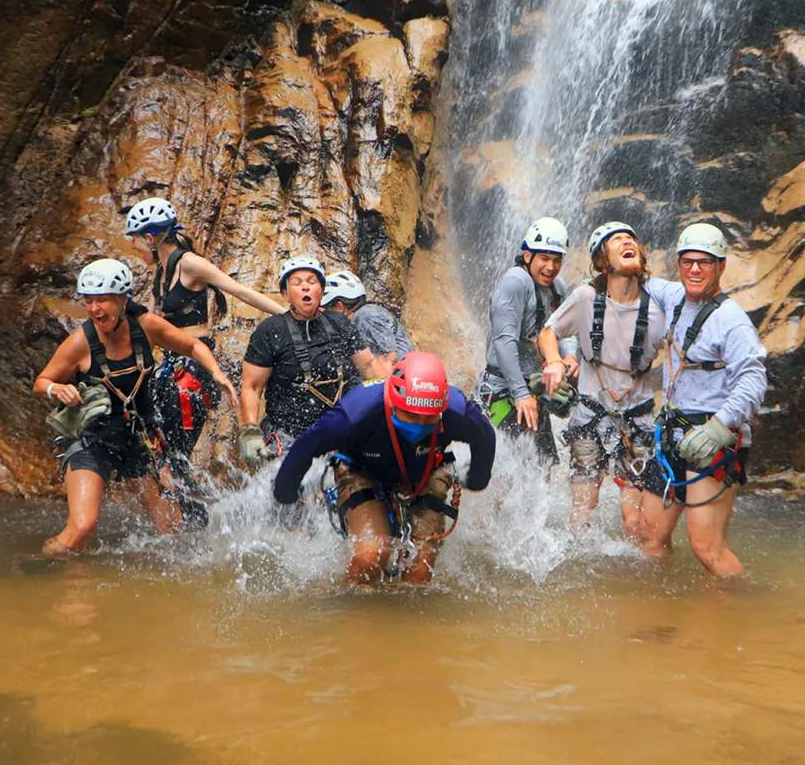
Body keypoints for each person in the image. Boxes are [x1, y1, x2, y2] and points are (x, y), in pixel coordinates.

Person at [33, 258, 237, 557]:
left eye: (102, 300)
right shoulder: (80, 342)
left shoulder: (145, 326)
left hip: (138, 438)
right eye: (88, 301)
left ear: (122, 299)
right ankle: (40, 563)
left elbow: (193, 346)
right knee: (83, 527)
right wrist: (56, 387)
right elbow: (41, 381)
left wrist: (218, 375)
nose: (94, 310)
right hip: (92, 440)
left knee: (172, 530)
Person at [273, 351, 496, 585]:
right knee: (371, 555)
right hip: (362, 470)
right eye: (410, 415)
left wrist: (477, 479)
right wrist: (285, 493)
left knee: (421, 565)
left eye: (427, 418)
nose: (418, 424)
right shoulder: (357, 412)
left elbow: (486, 438)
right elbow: (306, 447)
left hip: (427, 470)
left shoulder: (456, 410)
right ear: (393, 402)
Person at [637, 222, 767, 578]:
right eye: (688, 261)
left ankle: (737, 618)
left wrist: (719, 427)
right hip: (673, 433)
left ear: (721, 267)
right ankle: (664, 614)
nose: (695, 269)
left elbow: (754, 380)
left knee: (707, 549)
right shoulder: (673, 296)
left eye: (705, 262)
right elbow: (639, 277)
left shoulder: (732, 321)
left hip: (712, 437)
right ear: (678, 265)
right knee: (648, 536)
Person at [125, 196, 283, 472]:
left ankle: (188, 507)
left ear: (150, 238)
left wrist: (287, 315)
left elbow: (239, 290)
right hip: (171, 365)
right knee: (159, 448)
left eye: (135, 239)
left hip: (194, 368)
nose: (132, 245)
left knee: (174, 453)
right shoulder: (160, 273)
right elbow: (147, 328)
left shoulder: (189, 264)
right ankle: (184, 505)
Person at [539, 221, 665, 538]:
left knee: (633, 523)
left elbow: (681, 356)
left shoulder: (659, 307)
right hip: (589, 417)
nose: (627, 242)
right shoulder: (585, 298)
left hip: (637, 421)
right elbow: (548, 332)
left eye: (631, 238)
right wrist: (554, 361)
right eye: (617, 240)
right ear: (602, 261)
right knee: (582, 516)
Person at [238, 254, 376, 467]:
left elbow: (369, 367)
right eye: (297, 283)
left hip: (338, 429)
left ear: (321, 290)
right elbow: (252, 387)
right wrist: (249, 429)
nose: (305, 288)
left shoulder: (339, 323)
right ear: (285, 293)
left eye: (312, 282)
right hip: (287, 432)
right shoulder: (270, 330)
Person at [478, 217, 578, 464]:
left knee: (544, 469)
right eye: (544, 258)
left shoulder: (557, 288)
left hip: (534, 389)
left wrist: (569, 356)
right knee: (511, 470)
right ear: (527, 256)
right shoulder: (515, 281)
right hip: (503, 388)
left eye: (557, 260)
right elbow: (504, 340)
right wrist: (521, 394)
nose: (551, 267)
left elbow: (565, 331)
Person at [320, 269, 413, 375]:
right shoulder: (367, 313)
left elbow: (389, 359)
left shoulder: (365, 316)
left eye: (326, 309)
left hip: (400, 381)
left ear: (339, 307)